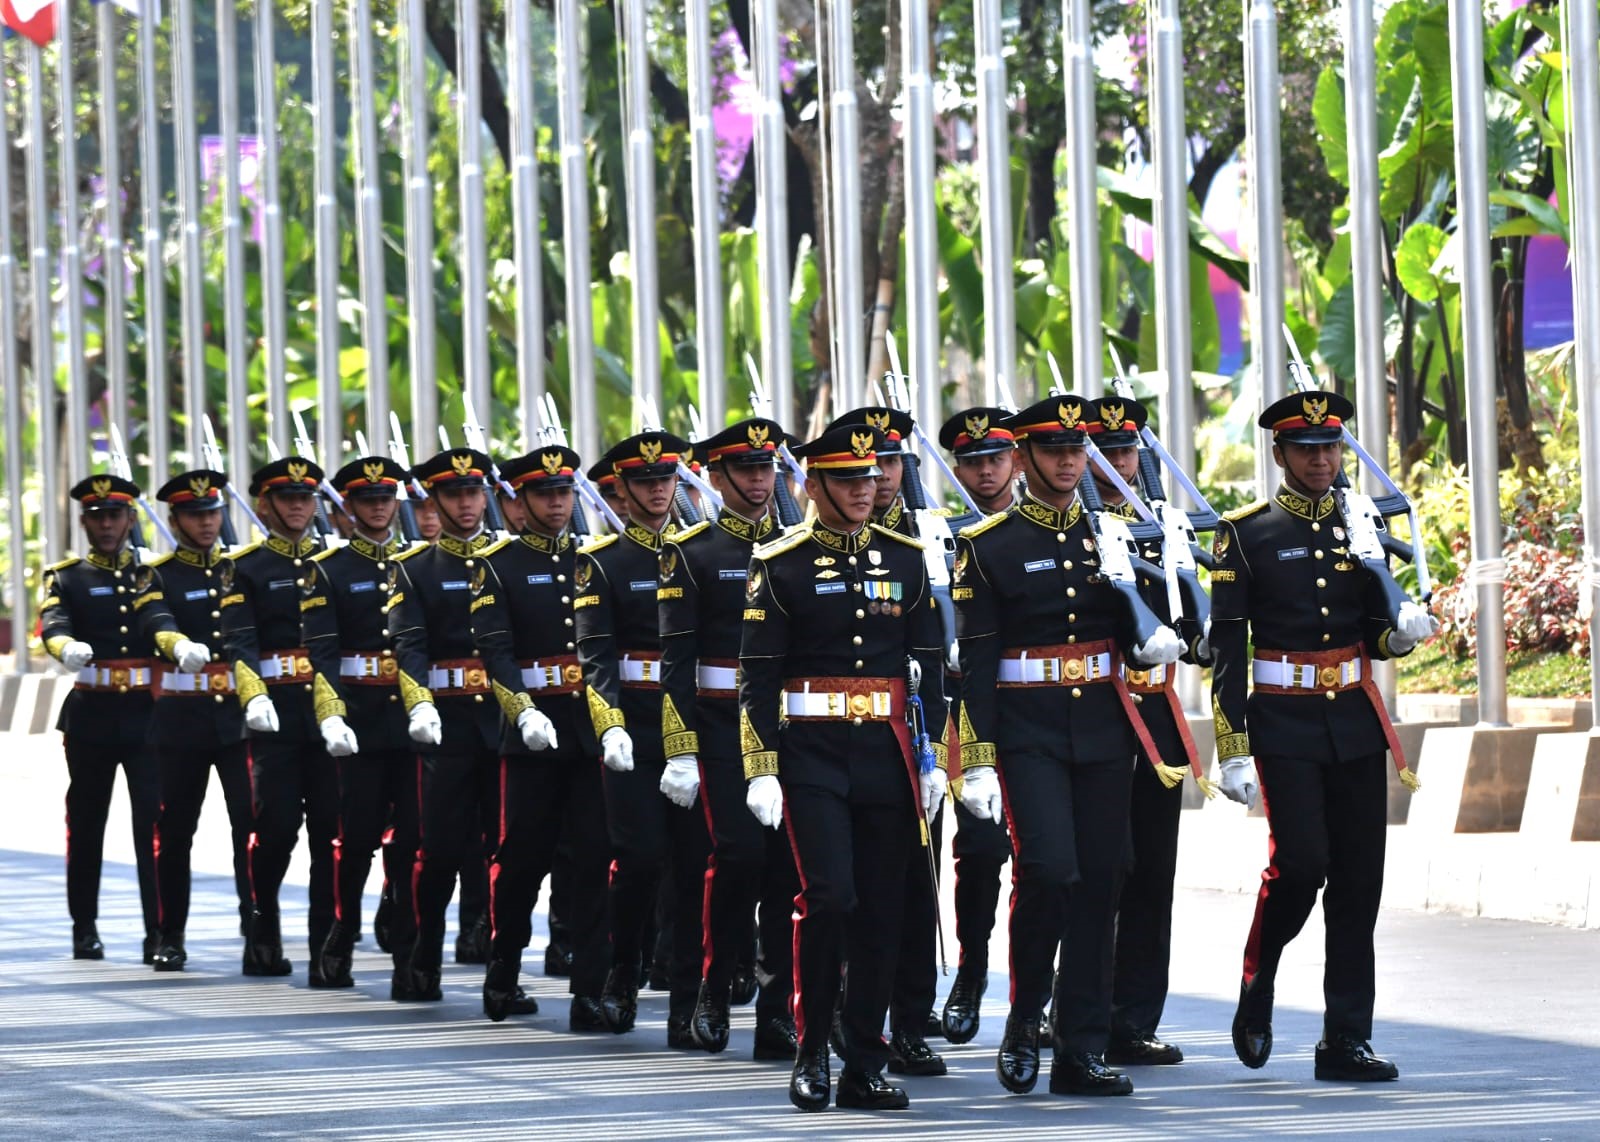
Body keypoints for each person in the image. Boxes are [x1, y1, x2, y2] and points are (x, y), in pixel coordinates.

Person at [952, 395, 1183, 1098]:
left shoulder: (1115, 534)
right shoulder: (988, 546)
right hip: (1029, 731)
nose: (1067, 460)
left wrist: (1163, 588)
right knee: (1051, 871)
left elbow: (1152, 630)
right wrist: (978, 757)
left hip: (1106, 728)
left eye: (1076, 449)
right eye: (1052, 449)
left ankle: (1080, 1049)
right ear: (1022, 457)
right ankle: (1026, 1016)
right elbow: (979, 666)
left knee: (1104, 877)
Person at [1212, 389, 1436, 1083]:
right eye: (1305, 448)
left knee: (1359, 883)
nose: (1319, 459)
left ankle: (1346, 1039)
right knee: (1302, 866)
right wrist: (1233, 744)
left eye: (1329, 447)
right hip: (1284, 722)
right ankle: (1260, 978)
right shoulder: (1245, 533)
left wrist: (1399, 635)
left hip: (1355, 721)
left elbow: (1375, 626)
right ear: (1280, 454)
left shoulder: (1362, 524)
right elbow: (1228, 650)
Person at [740, 424, 947, 1112]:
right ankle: (810, 1051)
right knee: (829, 899)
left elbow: (931, 674)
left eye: (869, 478)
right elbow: (757, 679)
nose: (864, 492)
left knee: (884, 911)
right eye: (847, 480)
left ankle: (864, 1060)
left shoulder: (908, 558)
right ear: (813, 484)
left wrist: (937, 757)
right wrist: (761, 765)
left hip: (886, 755)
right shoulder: (782, 562)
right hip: (812, 755)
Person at [657, 418, 800, 1060]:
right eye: (745, 470)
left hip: (789, 727)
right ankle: (713, 985)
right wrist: (680, 746)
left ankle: (777, 1011)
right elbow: (676, 662)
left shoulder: (798, 546)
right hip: (718, 726)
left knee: (788, 870)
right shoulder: (691, 552)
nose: (760, 480)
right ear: (715, 479)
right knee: (737, 857)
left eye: (767, 468)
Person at [573, 430, 711, 1045]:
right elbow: (595, 654)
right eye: (645, 483)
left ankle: (685, 997)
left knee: (693, 865)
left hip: (697, 729)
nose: (657, 492)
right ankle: (621, 973)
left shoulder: (698, 554)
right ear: (621, 492)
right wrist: (611, 726)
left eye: (665, 481)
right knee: (638, 861)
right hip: (634, 729)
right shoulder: (602, 561)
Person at [468, 444, 612, 1029]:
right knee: (522, 861)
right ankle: (502, 972)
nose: (557, 504)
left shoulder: (591, 558)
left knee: (593, 860)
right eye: (544, 495)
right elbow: (496, 652)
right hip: (530, 738)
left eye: (563, 493)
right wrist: (522, 711)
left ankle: (589, 990)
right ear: (519, 502)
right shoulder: (496, 564)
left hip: (587, 734)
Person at [1083, 396, 1208, 1066]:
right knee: (1098, 868)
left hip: (1154, 716)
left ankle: (1133, 1018)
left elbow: (1193, 631)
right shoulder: (1066, 532)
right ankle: (1071, 1006)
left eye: (1125, 451)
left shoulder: (1166, 529)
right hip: (1089, 712)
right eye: (1100, 453)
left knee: (1153, 871)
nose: (1113, 465)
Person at [822, 405, 946, 1076]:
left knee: (913, 886)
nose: (882, 478)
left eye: (891, 464)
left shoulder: (938, 536)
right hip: (846, 734)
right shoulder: (821, 542)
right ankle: (845, 1006)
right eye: (870, 468)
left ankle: (910, 1018)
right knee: (850, 887)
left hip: (921, 729)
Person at [39, 474, 198, 962]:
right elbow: (53, 624)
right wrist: (66, 648)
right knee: (87, 825)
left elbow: (164, 622)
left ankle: (159, 932)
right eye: (97, 516)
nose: (107, 524)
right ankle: (84, 928)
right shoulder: (67, 577)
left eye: (115, 515)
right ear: (85, 521)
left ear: (131, 519)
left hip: (150, 717)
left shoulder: (155, 574)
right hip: (91, 717)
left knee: (154, 826)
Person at [300, 456, 431, 995]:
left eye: (385, 499)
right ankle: (337, 932)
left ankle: (406, 953)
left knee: (413, 843)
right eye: (367, 500)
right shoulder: (328, 569)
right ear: (348, 507)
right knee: (351, 841)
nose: (378, 508)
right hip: (357, 719)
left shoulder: (421, 562)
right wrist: (331, 714)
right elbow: (321, 653)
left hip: (414, 721)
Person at [220, 456, 350, 984]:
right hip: (275, 718)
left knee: (329, 832)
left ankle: (326, 947)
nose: (298, 507)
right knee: (274, 831)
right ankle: (263, 928)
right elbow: (239, 642)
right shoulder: (245, 567)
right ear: (263, 505)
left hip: (332, 718)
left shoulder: (336, 562)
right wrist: (252, 697)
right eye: (287, 499)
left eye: (305, 498)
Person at [388, 448, 505, 1002]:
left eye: (473, 492)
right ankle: (419, 958)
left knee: (505, 852)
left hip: (505, 725)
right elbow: (408, 645)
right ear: (434, 502)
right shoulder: (414, 569)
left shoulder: (506, 559)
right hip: (447, 727)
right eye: (454, 494)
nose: (465, 503)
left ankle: (501, 970)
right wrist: (419, 704)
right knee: (437, 850)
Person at [144, 470, 254, 970]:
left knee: (250, 828)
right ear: (175, 519)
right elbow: (155, 621)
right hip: (182, 721)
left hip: (238, 719)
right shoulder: (159, 574)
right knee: (175, 831)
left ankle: (258, 929)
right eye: (195, 514)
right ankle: (170, 934)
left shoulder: (240, 569)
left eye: (212, 513)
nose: (206, 523)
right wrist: (177, 645)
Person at [932, 408, 1018, 1044]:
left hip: (1037, 708)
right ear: (956, 468)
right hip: (964, 710)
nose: (985, 471)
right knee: (981, 851)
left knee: (1047, 863)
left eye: (996, 459)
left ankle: (1033, 994)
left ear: (1015, 461)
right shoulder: (938, 533)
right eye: (973, 461)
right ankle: (970, 970)